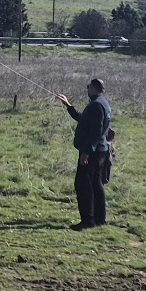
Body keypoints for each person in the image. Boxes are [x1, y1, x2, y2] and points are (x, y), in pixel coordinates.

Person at [56, 77, 112, 230]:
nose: (87, 89)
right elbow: (84, 120)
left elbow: (96, 131)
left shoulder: (96, 105)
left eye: (88, 86)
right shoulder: (102, 103)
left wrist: (87, 152)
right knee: (96, 184)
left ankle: (88, 221)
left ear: (94, 88)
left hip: (92, 152)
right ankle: (99, 219)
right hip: (100, 150)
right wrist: (68, 106)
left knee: (83, 184)